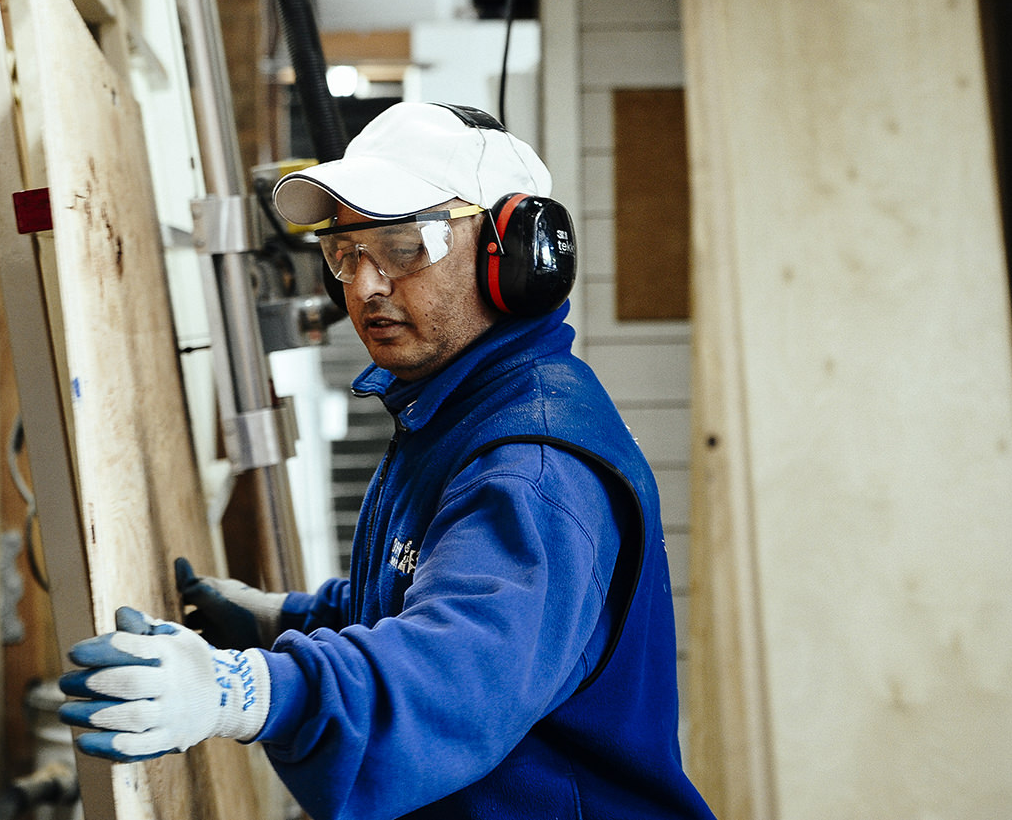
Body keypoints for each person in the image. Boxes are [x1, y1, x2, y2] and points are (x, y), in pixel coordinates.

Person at [58, 101, 715, 819]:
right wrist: (277, 621)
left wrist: (239, 688)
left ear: (513, 255)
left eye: (404, 245)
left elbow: (447, 676)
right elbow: (413, 598)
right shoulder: (454, 411)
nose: (365, 285)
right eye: (345, 251)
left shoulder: (534, 470)